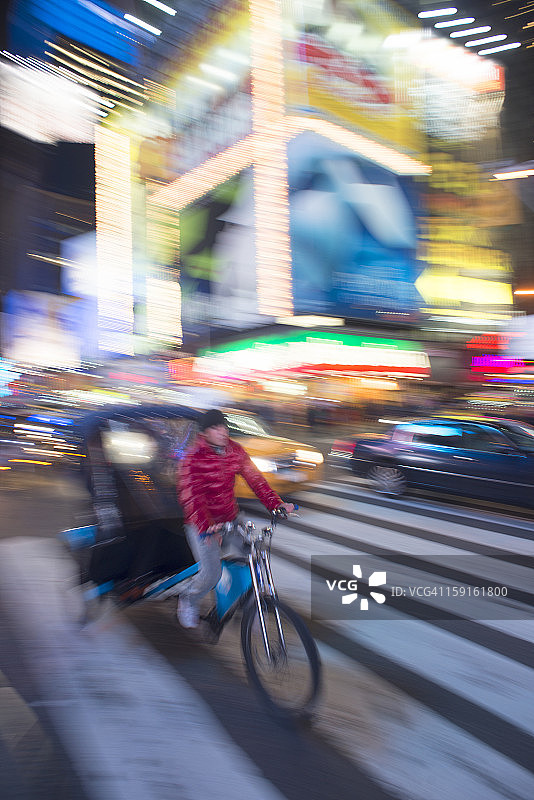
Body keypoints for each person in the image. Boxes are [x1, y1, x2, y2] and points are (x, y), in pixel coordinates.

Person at [177, 408, 294, 628]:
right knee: (211, 573)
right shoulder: (194, 457)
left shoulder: (235, 451)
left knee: (254, 559)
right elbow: (191, 497)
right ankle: (188, 600)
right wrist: (207, 527)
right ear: (204, 433)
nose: (222, 431)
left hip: (231, 518)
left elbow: (256, 479)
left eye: (223, 426)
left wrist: (276, 505)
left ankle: (252, 607)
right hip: (202, 524)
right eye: (215, 428)